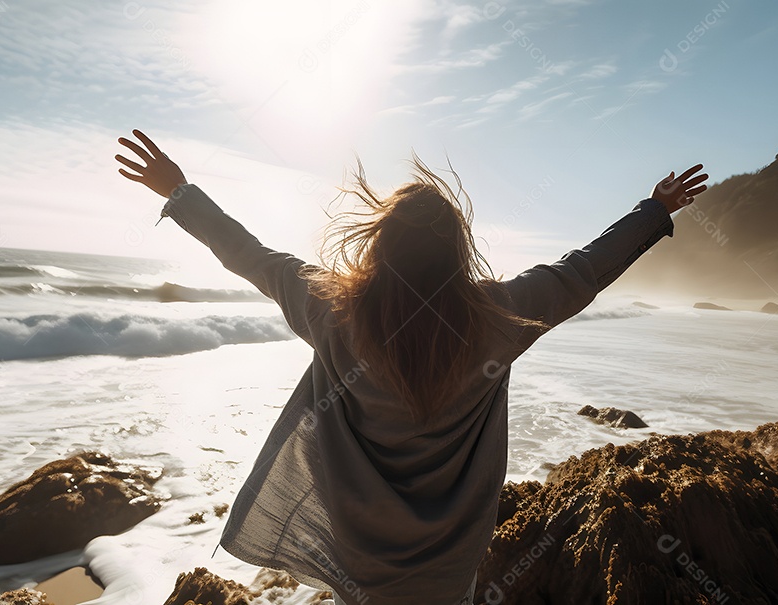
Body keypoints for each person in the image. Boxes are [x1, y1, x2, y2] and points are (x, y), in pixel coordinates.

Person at [115, 129, 707, 605]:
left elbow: (252, 256)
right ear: (457, 248)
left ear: (380, 244)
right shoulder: (499, 317)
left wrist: (181, 193)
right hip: (450, 568)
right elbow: (581, 272)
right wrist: (653, 211)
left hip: (361, 563)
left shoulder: (333, 310)